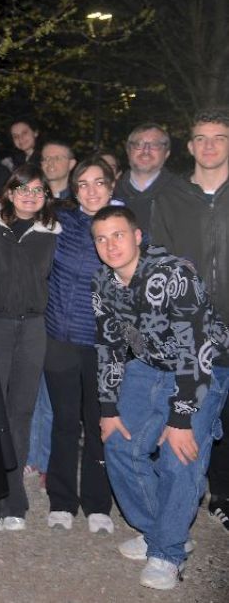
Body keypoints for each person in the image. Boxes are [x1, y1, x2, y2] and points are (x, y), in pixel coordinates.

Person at [91, 205, 229, 590]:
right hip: (148, 366)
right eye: (101, 239)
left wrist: (182, 418)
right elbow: (108, 345)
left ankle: (167, 553)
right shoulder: (103, 281)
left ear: (137, 236)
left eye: (118, 235)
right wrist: (107, 407)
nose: (110, 245)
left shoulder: (173, 273)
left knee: (178, 455)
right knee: (118, 442)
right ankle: (165, 533)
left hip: (203, 369)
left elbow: (196, 348)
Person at [151, 107, 229, 533]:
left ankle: (223, 494)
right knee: (189, 431)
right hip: (195, 338)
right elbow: (159, 266)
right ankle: (172, 532)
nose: (210, 145)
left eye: (219, 137)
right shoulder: (172, 198)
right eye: (201, 137)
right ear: (190, 145)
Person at [0, 165, 60, 531]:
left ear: (46, 197)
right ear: (8, 191)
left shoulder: (54, 231)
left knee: (21, 413)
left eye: (38, 190)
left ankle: (13, 495)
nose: (30, 195)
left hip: (33, 327)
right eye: (22, 188)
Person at [43, 157, 117, 533]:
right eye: (83, 184)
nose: (91, 190)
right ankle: (61, 500)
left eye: (99, 182)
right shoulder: (60, 222)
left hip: (103, 345)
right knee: (65, 421)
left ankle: (98, 503)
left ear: (111, 185)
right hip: (60, 338)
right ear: (74, 189)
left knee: (99, 422)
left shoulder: (123, 227)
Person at [113, 123, 175, 239]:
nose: (146, 150)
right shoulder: (108, 193)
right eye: (138, 144)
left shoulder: (183, 194)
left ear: (166, 153)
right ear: (128, 150)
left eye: (155, 145)